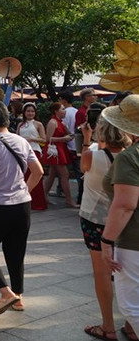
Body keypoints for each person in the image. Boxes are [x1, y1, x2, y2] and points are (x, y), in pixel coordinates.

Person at [0, 101, 44, 315]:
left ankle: (6, 293)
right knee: (16, 252)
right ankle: (19, 297)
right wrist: (26, 190)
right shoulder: (22, 141)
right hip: (22, 205)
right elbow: (38, 171)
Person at [81, 117, 131, 340]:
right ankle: (132, 325)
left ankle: (108, 326)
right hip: (125, 220)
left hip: (95, 219)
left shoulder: (91, 154)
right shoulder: (131, 158)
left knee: (101, 273)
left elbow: (83, 167)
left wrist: (86, 139)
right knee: (129, 272)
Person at [100, 96, 139, 341]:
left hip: (134, 241)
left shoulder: (130, 157)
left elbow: (125, 204)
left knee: (131, 307)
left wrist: (106, 242)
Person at [42, 103, 77, 208]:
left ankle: (44, 195)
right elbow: (48, 139)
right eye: (62, 109)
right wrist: (63, 139)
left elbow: (69, 134)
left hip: (60, 149)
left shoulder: (61, 122)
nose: (65, 111)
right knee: (64, 174)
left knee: (52, 174)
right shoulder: (53, 122)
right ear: (56, 111)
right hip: (56, 150)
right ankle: (69, 199)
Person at [15, 102, 48, 210]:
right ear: (24, 112)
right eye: (28, 111)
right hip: (22, 152)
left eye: (32, 111)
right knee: (23, 177)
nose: (30, 113)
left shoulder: (38, 124)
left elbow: (44, 139)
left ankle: (38, 202)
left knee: (35, 176)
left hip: (34, 151)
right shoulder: (20, 124)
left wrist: (31, 139)